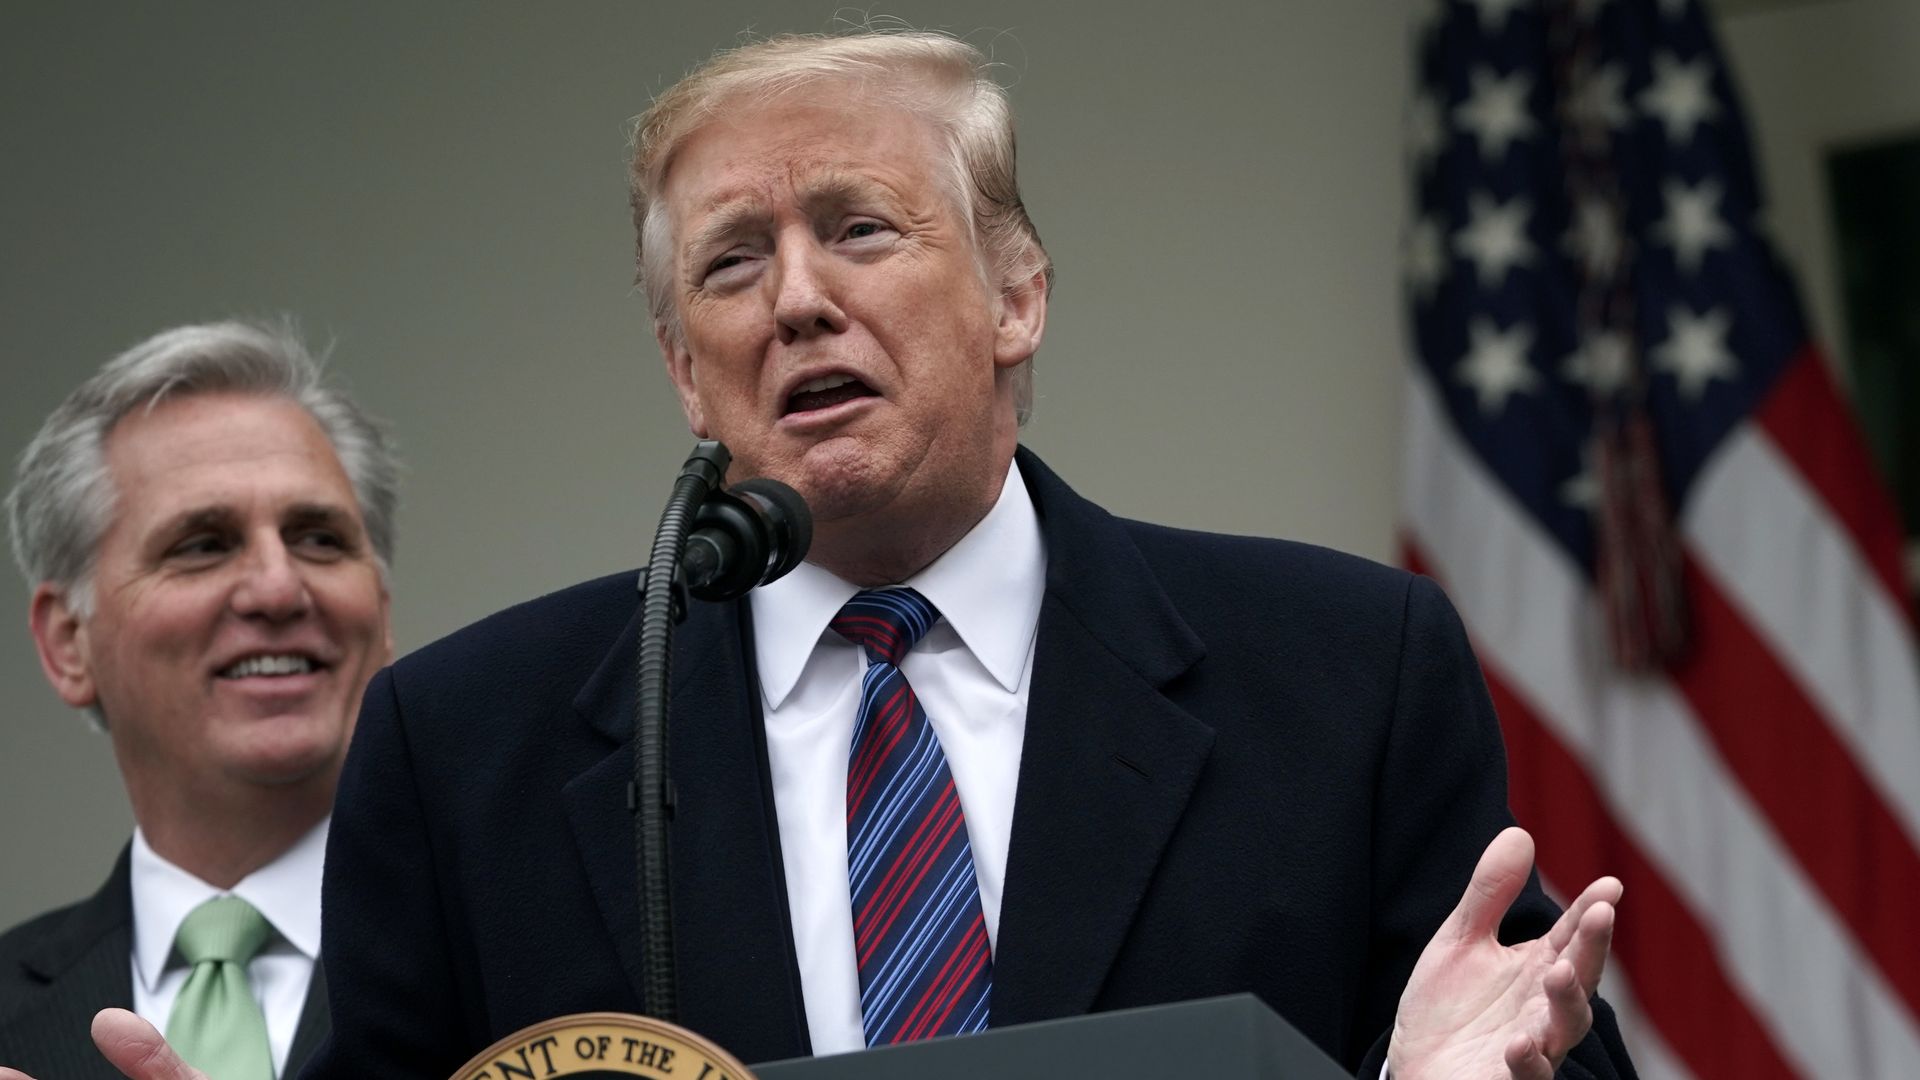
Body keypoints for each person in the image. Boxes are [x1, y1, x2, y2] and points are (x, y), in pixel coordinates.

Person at [29, 30, 1634, 1080]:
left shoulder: (1342, 671)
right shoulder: (471, 748)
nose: (796, 298)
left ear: (1017, 297)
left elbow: (1519, 1036)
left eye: (859, 230)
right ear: (682, 367)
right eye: (733, 262)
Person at [0, 321, 399, 1080]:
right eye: (202, 545)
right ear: (67, 643)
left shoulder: (524, 960)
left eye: (318, 538)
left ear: (380, 612)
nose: (279, 588)